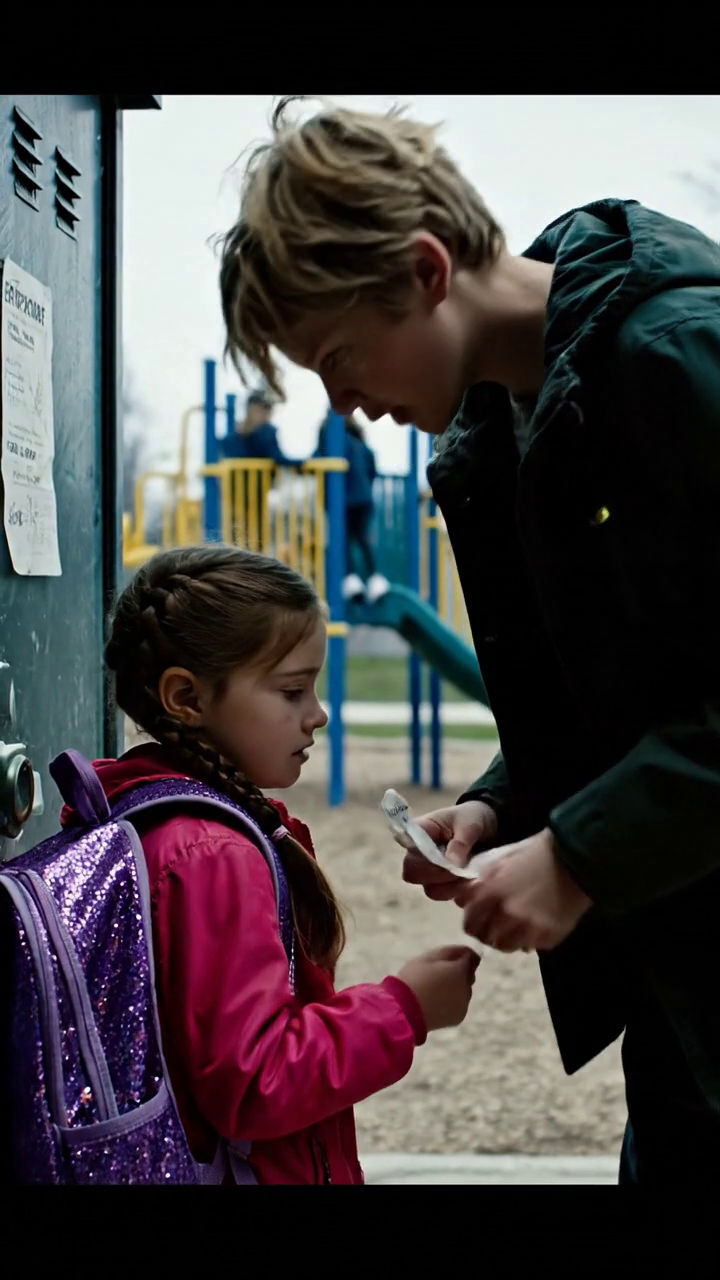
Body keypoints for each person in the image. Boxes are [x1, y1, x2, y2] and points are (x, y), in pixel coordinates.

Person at [217, 96, 720, 1184]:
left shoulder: (683, 354)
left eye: (338, 354)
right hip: (678, 975)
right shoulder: (492, 435)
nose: (341, 406)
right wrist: (508, 801)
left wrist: (583, 850)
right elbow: (620, 691)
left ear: (427, 269)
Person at [90, 544, 478, 1184]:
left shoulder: (150, 817)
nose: (318, 714)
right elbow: (255, 1082)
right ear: (186, 696)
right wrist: (406, 1008)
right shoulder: (212, 855)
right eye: (293, 690)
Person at [314, 413, 390, 604]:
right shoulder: (360, 442)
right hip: (364, 498)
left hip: (342, 499)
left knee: (342, 539)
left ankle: (350, 579)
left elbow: (317, 458)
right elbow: (372, 469)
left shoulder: (331, 437)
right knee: (363, 538)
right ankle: (374, 579)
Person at [221, 388, 304, 467]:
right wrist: (304, 463)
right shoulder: (266, 433)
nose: (267, 414)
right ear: (251, 409)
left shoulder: (234, 436)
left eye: (268, 409)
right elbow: (279, 458)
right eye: (263, 409)